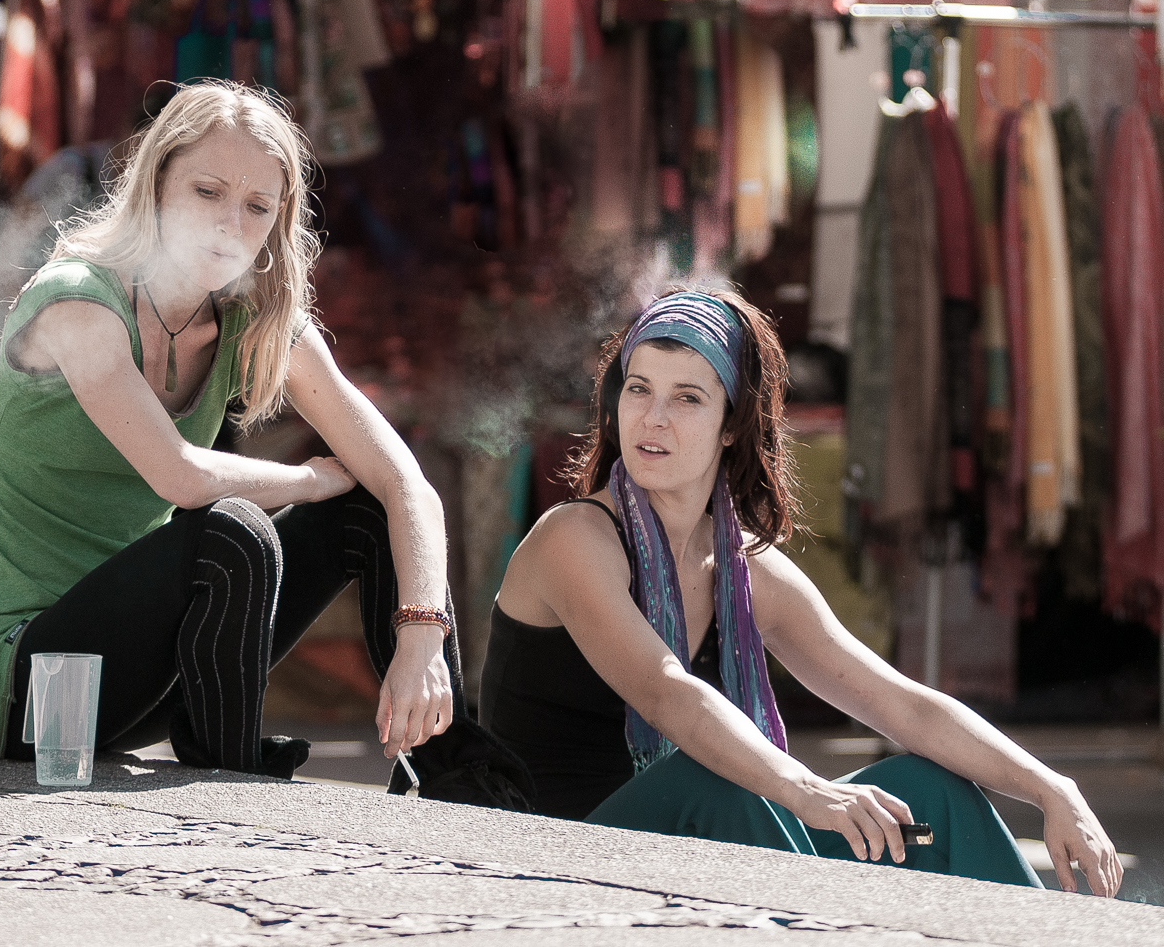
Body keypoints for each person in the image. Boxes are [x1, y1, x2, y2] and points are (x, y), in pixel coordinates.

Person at [480, 290, 1122, 896]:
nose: (652, 417)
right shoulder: (573, 538)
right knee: (724, 777)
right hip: (548, 859)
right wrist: (806, 790)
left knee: (929, 792)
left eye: (687, 398)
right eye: (639, 388)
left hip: (678, 847)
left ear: (732, 426)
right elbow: (666, 692)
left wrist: (1050, 788)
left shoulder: (747, 569)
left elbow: (901, 706)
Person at [0, 81, 458, 776]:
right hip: (26, 689)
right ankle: (229, 772)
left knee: (366, 508)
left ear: (279, 221)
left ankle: (456, 772)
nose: (230, 225)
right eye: (208, 192)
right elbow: (181, 477)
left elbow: (407, 486)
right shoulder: (77, 299)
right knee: (230, 531)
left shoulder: (253, 319)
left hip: (150, 676)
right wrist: (307, 480)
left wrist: (423, 637)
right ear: (157, 184)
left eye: (257, 207)